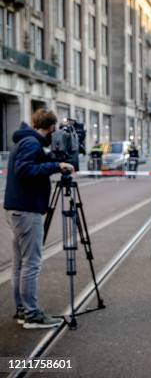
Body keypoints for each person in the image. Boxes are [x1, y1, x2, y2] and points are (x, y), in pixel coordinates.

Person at [4, 109, 74, 329]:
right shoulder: (31, 144)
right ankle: (32, 314)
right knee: (31, 263)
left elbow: (32, 165)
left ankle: (22, 310)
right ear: (51, 127)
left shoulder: (26, 141)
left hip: (18, 209)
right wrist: (56, 166)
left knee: (19, 264)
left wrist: (51, 160)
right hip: (26, 211)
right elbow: (25, 170)